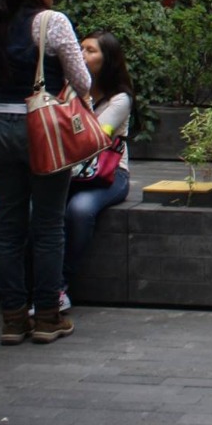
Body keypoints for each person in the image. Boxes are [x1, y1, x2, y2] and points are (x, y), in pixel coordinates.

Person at [0, 0, 90, 345]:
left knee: (9, 225)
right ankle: (48, 317)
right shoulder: (53, 23)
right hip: (43, 128)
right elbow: (84, 81)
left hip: (0, 126)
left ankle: (12, 318)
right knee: (48, 224)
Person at [60, 30, 133, 313]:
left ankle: (60, 285)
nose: (81, 55)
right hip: (70, 172)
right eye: (80, 49)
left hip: (109, 174)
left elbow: (93, 139)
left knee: (79, 210)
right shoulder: (68, 89)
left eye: (90, 50)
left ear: (108, 59)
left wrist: (84, 98)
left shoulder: (120, 99)